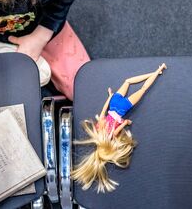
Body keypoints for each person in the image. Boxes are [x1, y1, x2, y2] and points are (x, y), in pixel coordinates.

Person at [71, 64, 167, 193]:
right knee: (128, 81)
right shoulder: (99, 128)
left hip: (123, 108)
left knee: (144, 89)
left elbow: (118, 129)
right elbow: (103, 110)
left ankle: (157, 70)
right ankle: (155, 72)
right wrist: (110, 97)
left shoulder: (111, 136)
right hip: (113, 103)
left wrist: (125, 122)